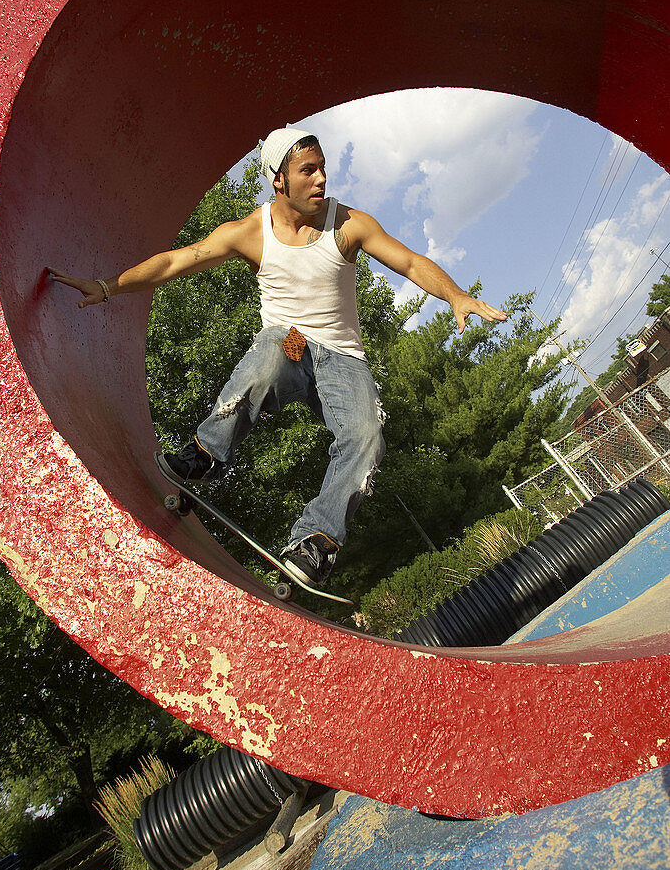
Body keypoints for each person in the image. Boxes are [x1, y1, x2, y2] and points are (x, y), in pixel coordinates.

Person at [49, 128, 506, 588]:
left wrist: (455, 295)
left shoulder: (348, 224)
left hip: (344, 361)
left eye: (323, 167)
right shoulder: (250, 232)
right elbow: (174, 262)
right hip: (291, 346)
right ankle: (207, 453)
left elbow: (408, 262)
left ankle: (316, 542)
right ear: (279, 180)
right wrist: (109, 287)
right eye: (308, 171)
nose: (322, 179)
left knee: (368, 436)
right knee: (272, 347)